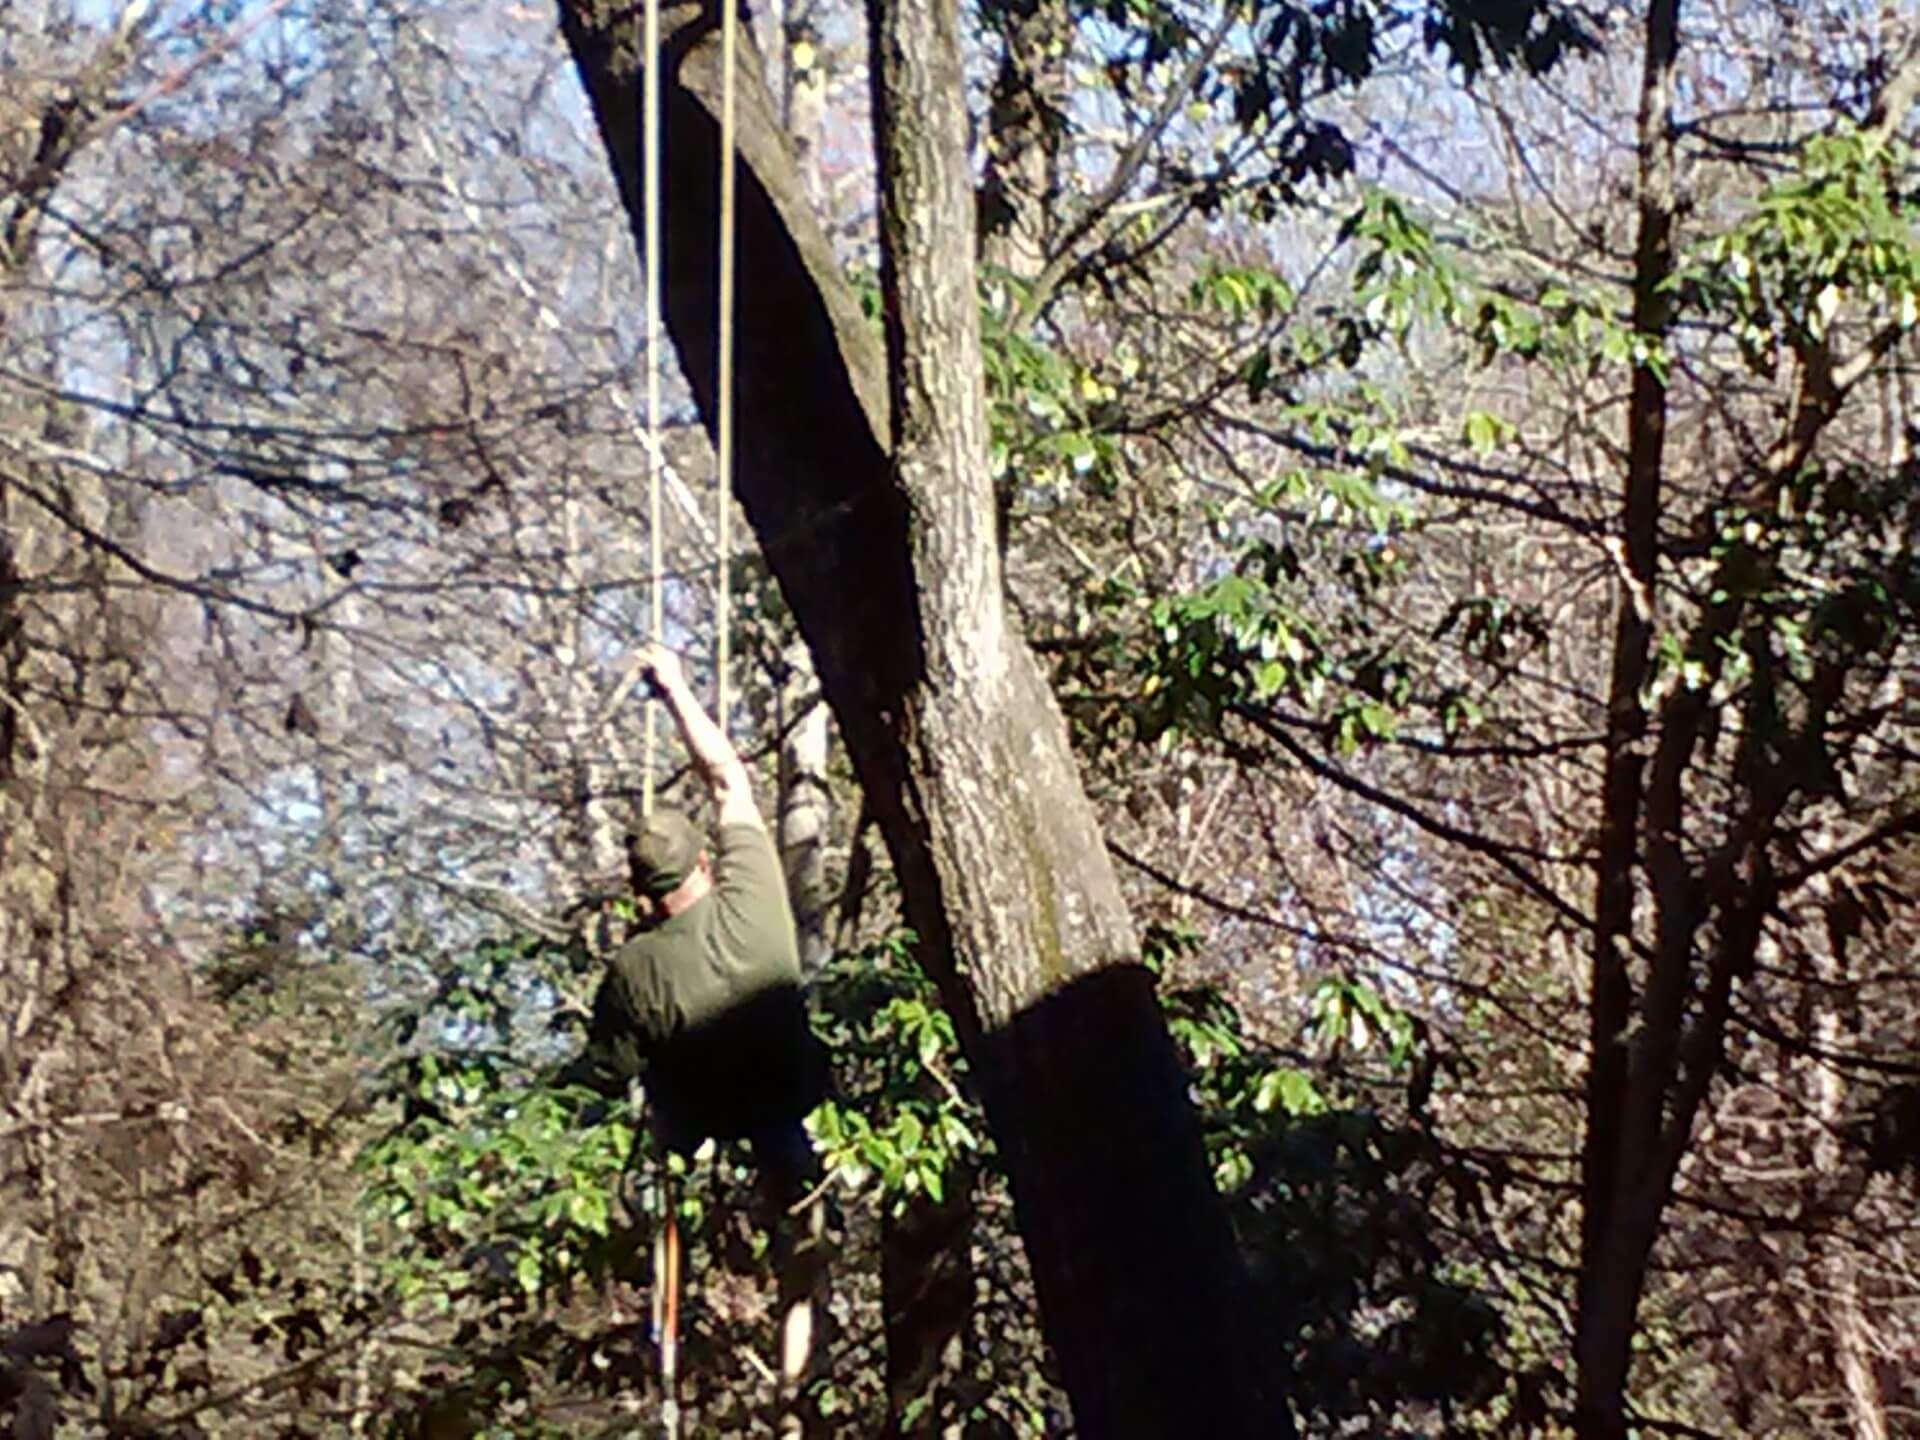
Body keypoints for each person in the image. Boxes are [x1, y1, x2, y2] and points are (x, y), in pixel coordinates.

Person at [572, 642, 826, 1194]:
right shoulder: (750, 895)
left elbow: (606, 1073)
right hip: (790, 1102)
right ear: (704, 862)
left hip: (702, 1130)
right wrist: (676, 689)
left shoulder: (635, 970)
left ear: (638, 890)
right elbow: (726, 779)